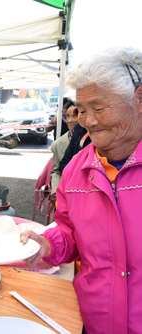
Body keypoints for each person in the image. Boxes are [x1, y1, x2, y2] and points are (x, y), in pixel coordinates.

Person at [21, 46, 142, 334]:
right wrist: (47, 245)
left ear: (139, 99)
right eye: (82, 110)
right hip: (96, 322)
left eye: (98, 108)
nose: (88, 121)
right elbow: (70, 231)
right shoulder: (78, 169)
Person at [49, 102, 79, 207]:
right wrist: (55, 192)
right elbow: (56, 171)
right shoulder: (57, 144)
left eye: (74, 116)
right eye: (67, 116)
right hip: (63, 194)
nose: (70, 120)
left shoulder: (93, 141)